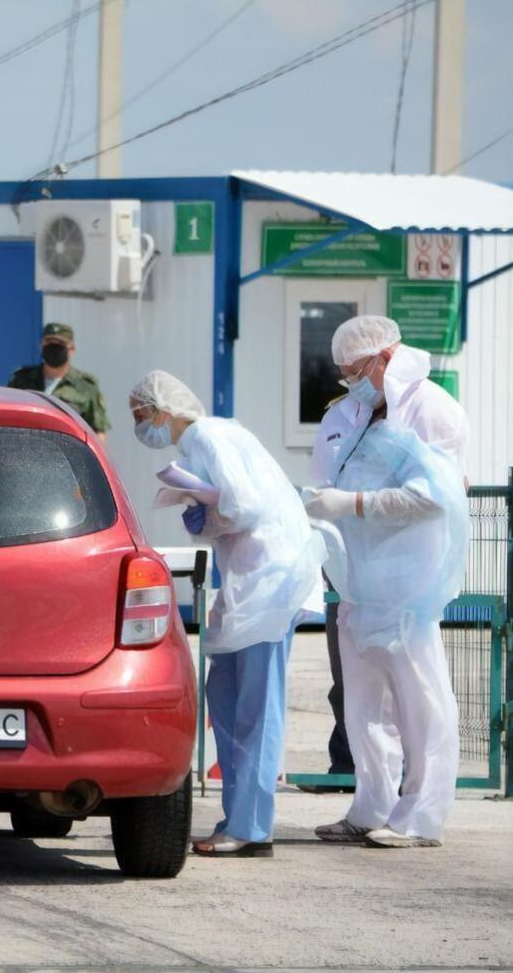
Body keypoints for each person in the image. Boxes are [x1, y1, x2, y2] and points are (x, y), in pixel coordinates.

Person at [130, 370, 322, 858]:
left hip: (270, 583)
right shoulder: (208, 441)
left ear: (163, 409)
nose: (142, 427)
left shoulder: (211, 437)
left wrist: (207, 516)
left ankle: (253, 827)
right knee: (227, 695)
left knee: (255, 706)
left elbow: (246, 507)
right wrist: (205, 516)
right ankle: (238, 817)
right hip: (252, 583)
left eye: (141, 415)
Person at [305, 328, 467, 849]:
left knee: (420, 701)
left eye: (356, 370)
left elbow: (436, 498)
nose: (350, 380)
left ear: (385, 357)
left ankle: (420, 816)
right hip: (357, 577)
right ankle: (370, 806)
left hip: (408, 582)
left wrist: (353, 505)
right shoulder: (345, 414)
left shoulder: (432, 409)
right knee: (363, 703)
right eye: (345, 373)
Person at [8, 323, 110, 439]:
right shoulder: (21, 380)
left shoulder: (86, 387)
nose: (54, 347)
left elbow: (98, 432)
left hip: (67, 454)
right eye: (49, 342)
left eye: (60, 343)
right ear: (41, 345)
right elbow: (7, 419)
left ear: (72, 349)